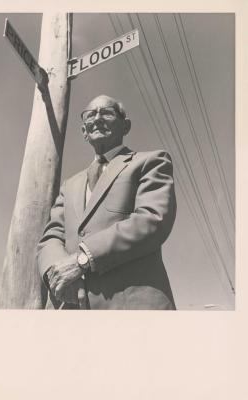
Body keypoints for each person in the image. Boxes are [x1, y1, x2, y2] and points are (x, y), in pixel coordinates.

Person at [37, 95, 177, 310]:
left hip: (133, 307)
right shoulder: (69, 185)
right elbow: (51, 238)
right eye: (90, 115)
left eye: (107, 112)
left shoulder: (151, 162)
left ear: (125, 126)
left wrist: (83, 260)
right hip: (71, 309)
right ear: (84, 131)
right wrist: (57, 273)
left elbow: (152, 219)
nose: (97, 118)